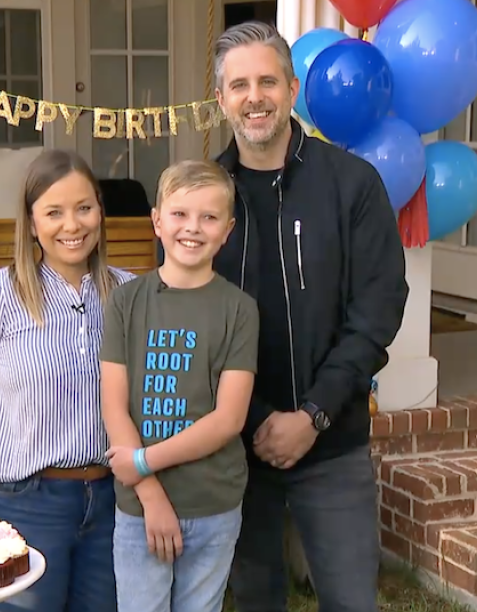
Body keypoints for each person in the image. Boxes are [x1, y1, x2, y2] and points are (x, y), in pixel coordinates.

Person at [211, 21, 409, 612]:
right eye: (239, 84)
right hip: (236, 448)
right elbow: (188, 323)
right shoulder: (203, 198)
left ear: (292, 89)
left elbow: (377, 309)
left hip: (334, 444)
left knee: (351, 601)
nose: (255, 97)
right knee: (255, 601)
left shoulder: (352, 184)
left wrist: (313, 413)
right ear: (220, 98)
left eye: (267, 80)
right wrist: (258, 419)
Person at [0, 149, 133, 612]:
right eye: (54, 212)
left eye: (84, 208)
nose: (72, 225)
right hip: (22, 504)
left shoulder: (127, 294)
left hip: (109, 502)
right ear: (31, 221)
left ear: (100, 210)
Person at [99, 159, 260, 612]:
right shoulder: (126, 302)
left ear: (227, 231)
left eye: (209, 217)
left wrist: (142, 462)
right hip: (138, 508)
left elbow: (228, 419)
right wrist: (149, 493)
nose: (193, 228)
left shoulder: (240, 309)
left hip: (212, 504)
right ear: (156, 221)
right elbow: (114, 406)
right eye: (180, 214)